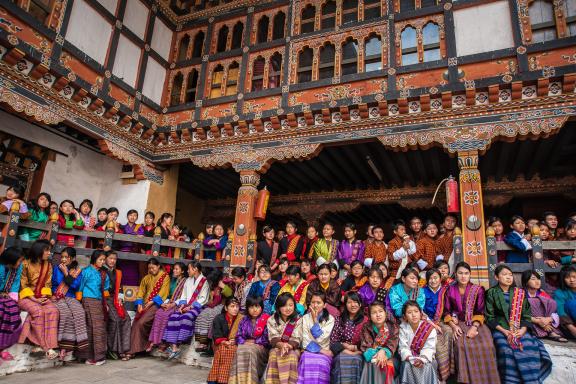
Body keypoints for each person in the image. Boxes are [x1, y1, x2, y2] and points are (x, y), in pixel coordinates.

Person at [485, 264, 552, 383]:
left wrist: (523, 330)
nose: (508, 277)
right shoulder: (491, 293)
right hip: (501, 329)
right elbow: (489, 317)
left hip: (519, 328)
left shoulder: (519, 293)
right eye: (504, 275)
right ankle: (511, 380)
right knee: (506, 349)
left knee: (529, 346)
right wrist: (505, 331)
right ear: (496, 277)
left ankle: (531, 380)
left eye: (510, 275)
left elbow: (526, 314)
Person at [443, 261, 500, 384]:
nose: (463, 276)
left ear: (470, 275)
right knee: (461, 346)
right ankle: (466, 380)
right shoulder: (449, 290)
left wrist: (474, 328)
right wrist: (453, 326)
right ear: (455, 275)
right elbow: (446, 312)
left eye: (466, 273)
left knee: (487, 345)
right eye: (460, 273)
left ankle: (488, 380)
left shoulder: (478, 289)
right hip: (458, 323)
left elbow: (480, 311)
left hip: (476, 323)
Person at [17, 239, 59, 359]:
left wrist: (44, 297)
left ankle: (45, 346)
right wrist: (35, 300)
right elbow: (23, 285)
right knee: (38, 312)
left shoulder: (48, 265)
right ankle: (47, 348)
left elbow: (48, 284)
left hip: (41, 297)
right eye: (47, 251)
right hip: (26, 297)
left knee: (53, 311)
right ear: (39, 250)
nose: (49, 253)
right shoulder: (25, 264)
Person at [163, 261, 209, 360]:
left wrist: (191, 307)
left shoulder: (204, 281)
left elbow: (203, 298)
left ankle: (179, 344)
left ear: (195, 269)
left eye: (189, 269)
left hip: (198, 307)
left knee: (185, 317)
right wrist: (182, 305)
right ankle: (174, 347)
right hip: (186, 306)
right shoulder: (188, 280)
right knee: (173, 317)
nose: (187, 271)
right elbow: (184, 295)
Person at [126, 258, 170, 359]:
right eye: (149, 268)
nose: (151, 270)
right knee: (136, 322)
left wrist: (151, 302)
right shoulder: (146, 277)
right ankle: (135, 349)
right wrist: (140, 304)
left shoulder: (165, 277)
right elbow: (141, 291)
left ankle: (133, 350)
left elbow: (163, 292)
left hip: (156, 305)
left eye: (153, 267)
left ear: (158, 266)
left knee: (142, 323)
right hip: (146, 305)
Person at [51, 247, 88, 359]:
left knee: (79, 313)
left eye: (66, 257)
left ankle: (69, 347)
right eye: (62, 257)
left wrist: (66, 273)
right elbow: (55, 283)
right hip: (58, 296)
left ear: (72, 259)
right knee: (65, 313)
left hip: (71, 297)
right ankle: (61, 345)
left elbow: (75, 286)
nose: (63, 259)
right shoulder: (57, 269)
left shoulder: (77, 271)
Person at [76, 249, 110, 366]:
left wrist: (106, 304)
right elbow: (80, 286)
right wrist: (79, 300)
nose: (102, 262)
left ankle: (95, 357)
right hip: (87, 300)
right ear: (94, 259)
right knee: (90, 328)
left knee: (98, 328)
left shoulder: (103, 273)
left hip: (99, 302)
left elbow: (105, 289)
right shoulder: (86, 271)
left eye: (103, 260)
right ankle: (90, 357)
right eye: (100, 259)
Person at [229, 296, 270, 384]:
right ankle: (240, 380)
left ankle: (250, 381)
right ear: (247, 308)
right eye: (251, 307)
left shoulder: (267, 319)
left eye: (257, 307)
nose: (254, 310)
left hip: (261, 347)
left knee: (250, 350)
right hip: (245, 345)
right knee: (240, 349)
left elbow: (267, 338)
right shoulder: (244, 320)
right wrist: (244, 342)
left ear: (261, 308)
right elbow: (238, 335)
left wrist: (255, 341)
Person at [297, 291, 335, 384]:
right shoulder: (305, 318)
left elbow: (322, 338)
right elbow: (305, 340)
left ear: (324, 305)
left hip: (324, 353)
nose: (315, 305)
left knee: (321, 362)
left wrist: (315, 321)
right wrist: (320, 350)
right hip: (312, 351)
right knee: (306, 358)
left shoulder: (330, 319)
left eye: (319, 303)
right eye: (313, 302)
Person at [330, 292, 368, 384]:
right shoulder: (340, 319)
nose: (353, 305)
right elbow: (333, 341)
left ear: (360, 304)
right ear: (345, 304)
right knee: (340, 360)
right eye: (349, 302)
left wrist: (354, 349)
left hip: (359, 352)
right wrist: (346, 350)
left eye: (355, 302)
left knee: (357, 361)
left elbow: (368, 342)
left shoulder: (366, 321)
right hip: (342, 351)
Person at [148, 262, 187, 351]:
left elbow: (184, 297)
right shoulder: (172, 280)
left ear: (182, 271)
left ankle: (163, 342)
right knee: (158, 313)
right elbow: (168, 294)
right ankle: (155, 341)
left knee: (166, 315)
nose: (174, 270)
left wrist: (173, 304)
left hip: (177, 304)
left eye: (177, 269)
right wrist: (165, 303)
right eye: (174, 269)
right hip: (168, 302)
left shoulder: (185, 281)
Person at [265, 292, 303, 384]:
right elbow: (273, 337)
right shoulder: (272, 319)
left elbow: (297, 338)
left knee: (292, 356)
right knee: (273, 355)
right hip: (277, 347)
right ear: (278, 307)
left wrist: (287, 346)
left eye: (291, 305)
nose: (288, 308)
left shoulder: (299, 319)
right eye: (284, 306)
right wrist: (282, 345)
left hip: (293, 348)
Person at [422, 268, 453, 380]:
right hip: (428, 321)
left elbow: (451, 306)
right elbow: (421, 311)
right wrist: (433, 324)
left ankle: (449, 370)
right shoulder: (423, 291)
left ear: (440, 279)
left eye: (435, 278)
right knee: (436, 339)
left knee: (449, 332)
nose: (433, 281)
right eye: (430, 278)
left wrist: (452, 317)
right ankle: (440, 375)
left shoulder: (446, 290)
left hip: (443, 319)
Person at [398, 300, 438, 383]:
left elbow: (430, 348)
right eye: (409, 312)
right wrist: (410, 358)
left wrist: (422, 359)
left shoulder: (429, 328)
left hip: (426, 358)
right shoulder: (403, 328)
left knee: (427, 365)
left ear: (421, 314)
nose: (413, 315)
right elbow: (403, 347)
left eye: (416, 311)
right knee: (406, 365)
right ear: (404, 317)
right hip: (409, 359)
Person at [359, 301, 398, 384]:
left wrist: (383, 351)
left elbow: (392, 344)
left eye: (380, 311)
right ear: (369, 316)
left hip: (391, 357)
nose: (378, 315)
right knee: (373, 362)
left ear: (385, 313)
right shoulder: (366, 327)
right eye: (374, 312)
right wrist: (378, 354)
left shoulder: (392, 327)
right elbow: (366, 346)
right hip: (371, 356)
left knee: (383, 363)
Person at [194, 269, 233, 351]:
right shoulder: (214, 285)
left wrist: (223, 287)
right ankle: (202, 341)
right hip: (214, 305)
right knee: (202, 315)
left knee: (212, 316)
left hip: (223, 305)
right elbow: (212, 300)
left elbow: (230, 295)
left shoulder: (227, 282)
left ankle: (208, 342)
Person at [521, 269, 566, 341]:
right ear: (526, 282)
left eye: (538, 279)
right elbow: (519, 313)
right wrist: (538, 321)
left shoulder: (543, 294)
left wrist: (548, 319)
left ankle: (550, 332)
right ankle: (548, 332)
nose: (537, 281)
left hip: (546, 320)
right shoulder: (520, 294)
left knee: (552, 303)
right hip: (530, 320)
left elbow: (554, 310)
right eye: (533, 279)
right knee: (531, 302)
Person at [207, 296, 243, 384]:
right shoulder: (219, 318)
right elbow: (216, 335)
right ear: (226, 308)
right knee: (224, 349)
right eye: (232, 306)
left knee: (231, 349)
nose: (235, 309)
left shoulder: (241, 319)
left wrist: (236, 340)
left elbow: (243, 333)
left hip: (236, 343)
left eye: (237, 306)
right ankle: (217, 378)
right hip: (219, 343)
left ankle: (223, 380)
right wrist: (225, 341)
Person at [103, 251, 132, 360]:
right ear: (105, 259)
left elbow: (120, 287)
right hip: (104, 298)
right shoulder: (102, 271)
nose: (112, 261)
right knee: (115, 320)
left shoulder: (118, 272)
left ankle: (125, 349)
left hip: (115, 299)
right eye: (110, 258)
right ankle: (113, 349)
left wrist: (120, 297)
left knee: (126, 319)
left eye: (114, 259)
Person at [0, 247, 24, 361]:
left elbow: (15, 284)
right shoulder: (0, 267)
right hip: (1, 295)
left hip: (7, 295)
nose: (20, 263)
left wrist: (13, 298)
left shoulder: (18, 267)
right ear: (10, 260)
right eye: (19, 261)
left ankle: (3, 347)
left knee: (13, 310)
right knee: (2, 311)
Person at [553, 265, 576, 338]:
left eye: (574, 276)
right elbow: (560, 312)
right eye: (567, 277)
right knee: (571, 303)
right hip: (570, 326)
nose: (572, 280)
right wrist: (572, 329)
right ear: (563, 279)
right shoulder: (559, 293)